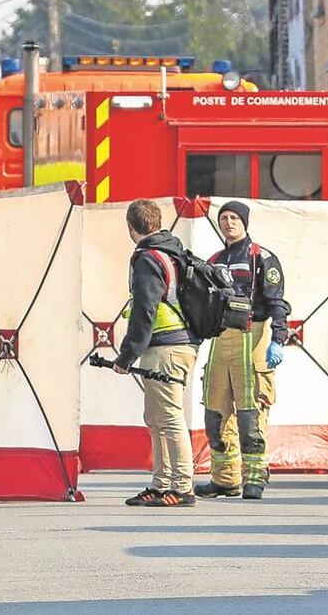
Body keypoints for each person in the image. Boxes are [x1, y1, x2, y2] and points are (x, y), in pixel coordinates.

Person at [195, 201, 289, 501]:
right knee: (214, 415)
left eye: (234, 217)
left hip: (254, 337)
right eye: (223, 218)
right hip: (221, 341)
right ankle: (225, 480)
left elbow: (277, 304)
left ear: (244, 222)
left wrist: (278, 339)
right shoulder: (214, 260)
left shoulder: (262, 257)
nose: (228, 222)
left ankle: (255, 478)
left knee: (250, 416)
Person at [113, 199, 201, 508]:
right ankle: (161, 484)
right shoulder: (173, 251)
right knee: (156, 418)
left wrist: (126, 356)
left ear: (131, 227)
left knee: (170, 417)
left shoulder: (148, 258)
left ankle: (182, 486)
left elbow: (144, 309)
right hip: (177, 345)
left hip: (167, 346)